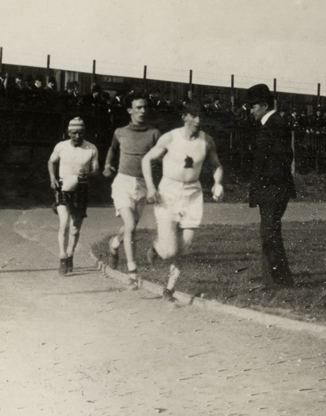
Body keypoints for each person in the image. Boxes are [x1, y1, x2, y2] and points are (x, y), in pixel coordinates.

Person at [142, 101, 224, 301]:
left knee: (183, 247)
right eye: (194, 116)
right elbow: (146, 159)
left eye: (201, 116)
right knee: (168, 250)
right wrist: (150, 187)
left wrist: (217, 183)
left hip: (192, 195)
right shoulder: (170, 138)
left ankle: (169, 289)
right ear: (184, 117)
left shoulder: (207, 141)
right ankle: (156, 247)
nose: (198, 120)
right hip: (168, 192)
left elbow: (216, 166)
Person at [101, 92, 161, 278]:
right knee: (130, 225)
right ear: (129, 110)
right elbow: (112, 149)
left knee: (130, 227)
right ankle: (132, 271)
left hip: (142, 185)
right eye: (138, 107)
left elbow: (161, 156)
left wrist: (157, 163)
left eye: (145, 107)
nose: (142, 111)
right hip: (123, 183)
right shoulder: (120, 132)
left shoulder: (154, 133)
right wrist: (107, 165)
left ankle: (114, 244)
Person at [244, 83, 297, 286]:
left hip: (273, 188)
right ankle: (273, 280)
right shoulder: (270, 124)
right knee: (268, 232)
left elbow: (282, 158)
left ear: (264, 105)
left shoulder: (276, 125)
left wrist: (265, 182)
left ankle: (280, 280)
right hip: (270, 187)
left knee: (269, 232)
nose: (251, 111)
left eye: (253, 106)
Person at [47, 117, 100, 276]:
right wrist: (52, 178)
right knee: (64, 224)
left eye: (81, 133)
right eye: (74, 133)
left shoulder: (91, 148)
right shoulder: (61, 146)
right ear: (68, 133)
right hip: (63, 187)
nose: (77, 136)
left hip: (81, 188)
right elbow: (51, 162)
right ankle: (62, 258)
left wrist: (88, 174)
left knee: (75, 228)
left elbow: (96, 171)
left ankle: (70, 254)